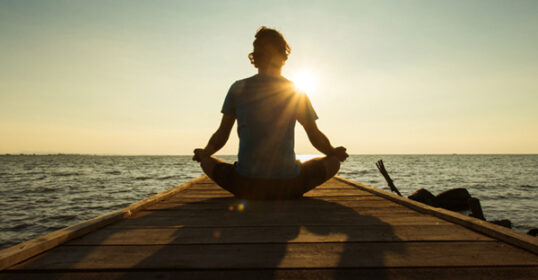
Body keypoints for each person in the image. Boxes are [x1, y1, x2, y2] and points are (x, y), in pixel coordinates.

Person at [193, 27, 348, 200]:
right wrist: (333, 151)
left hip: (245, 186)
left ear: (255, 57)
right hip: (288, 186)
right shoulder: (295, 91)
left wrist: (204, 154)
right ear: (283, 56)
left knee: (207, 162)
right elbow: (314, 135)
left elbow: (222, 135)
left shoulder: (238, 88)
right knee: (333, 163)